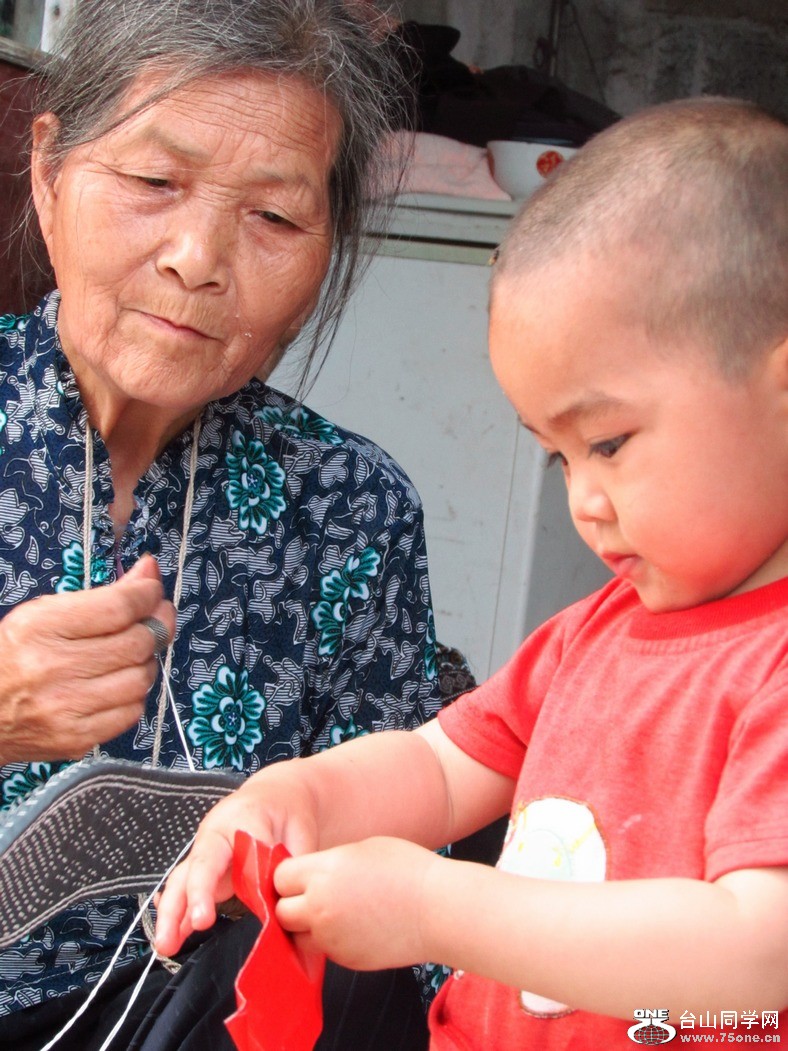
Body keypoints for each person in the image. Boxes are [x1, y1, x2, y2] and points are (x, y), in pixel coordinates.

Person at [156, 97, 788, 1048]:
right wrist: (296, 797)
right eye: (558, 456)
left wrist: (435, 907)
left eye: (609, 442)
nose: (584, 499)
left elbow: (757, 954)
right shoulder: (594, 633)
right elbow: (439, 769)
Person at [0, 1, 443, 1047]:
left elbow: (399, 888)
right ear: (49, 173)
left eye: (274, 218)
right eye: (155, 182)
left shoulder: (351, 507)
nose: (198, 258)